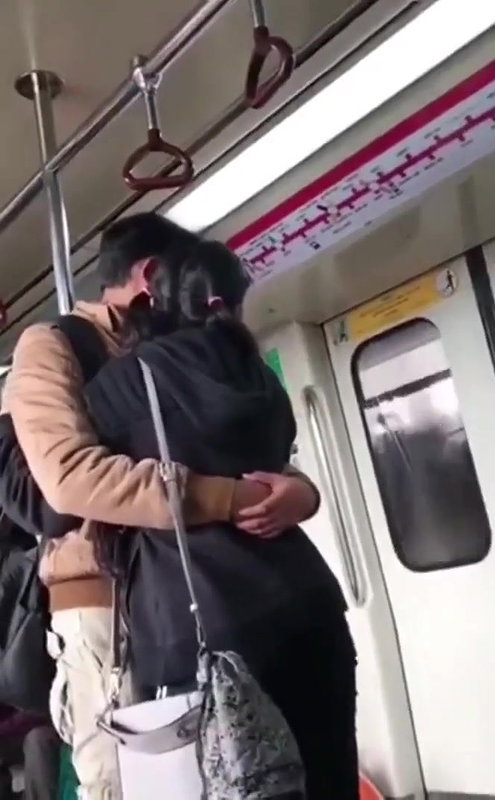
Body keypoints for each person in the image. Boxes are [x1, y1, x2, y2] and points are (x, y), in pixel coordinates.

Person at [1, 213, 320, 800]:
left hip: (208, 583)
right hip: (106, 597)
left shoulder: (176, 343)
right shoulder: (54, 346)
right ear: (151, 276)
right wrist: (225, 499)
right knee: (131, 779)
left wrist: (298, 490)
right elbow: (69, 478)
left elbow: (240, 448)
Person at [80, 234, 358, 798]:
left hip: (200, 628)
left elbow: (60, 497)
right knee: (328, 777)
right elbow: (280, 468)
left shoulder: (126, 383)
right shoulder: (261, 377)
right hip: (309, 608)